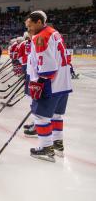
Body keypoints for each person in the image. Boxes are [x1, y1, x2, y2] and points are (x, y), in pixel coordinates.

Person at [25, 10, 72, 162]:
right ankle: (58, 145)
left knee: (40, 116)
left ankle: (46, 148)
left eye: (30, 26)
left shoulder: (41, 37)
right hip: (63, 83)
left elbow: (48, 68)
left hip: (51, 83)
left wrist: (39, 82)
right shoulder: (54, 33)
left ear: (39, 22)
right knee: (56, 115)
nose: (29, 30)